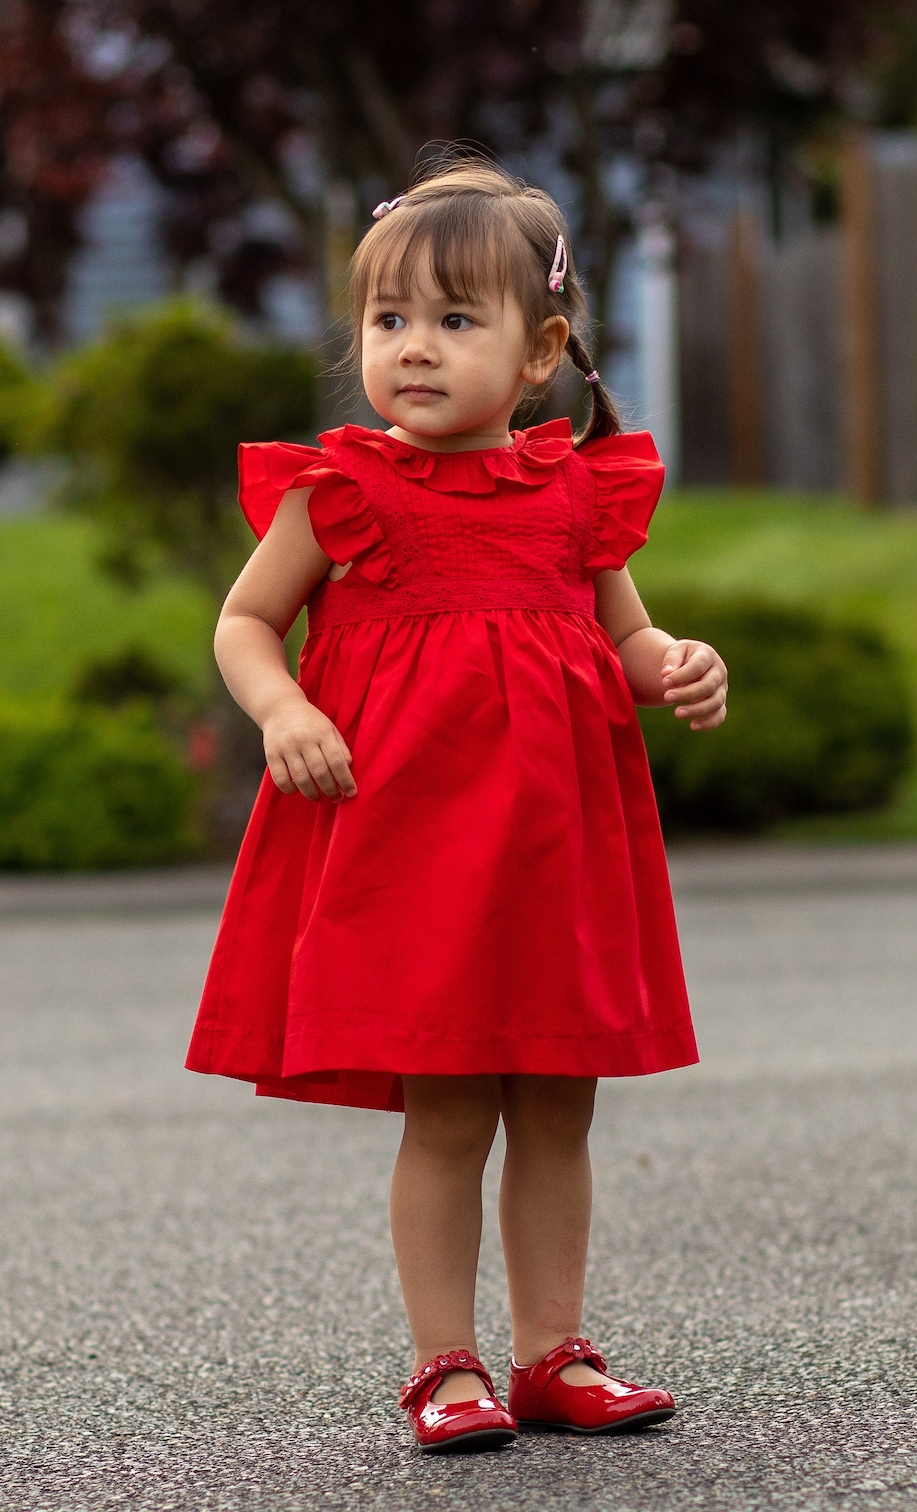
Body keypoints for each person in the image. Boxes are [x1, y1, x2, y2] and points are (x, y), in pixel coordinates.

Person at [186, 158, 728, 1453]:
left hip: (552, 854)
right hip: (413, 850)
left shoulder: (574, 497)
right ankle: (446, 1366)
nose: (412, 349)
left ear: (543, 350)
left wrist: (675, 667)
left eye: (454, 321)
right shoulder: (345, 494)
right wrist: (285, 711)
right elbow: (246, 622)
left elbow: (625, 643)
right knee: (449, 1109)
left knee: (557, 1101)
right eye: (388, 322)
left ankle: (555, 1352)